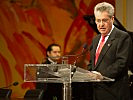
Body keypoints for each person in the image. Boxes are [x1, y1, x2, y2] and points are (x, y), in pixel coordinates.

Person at [89, 2, 133, 100]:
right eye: (98, 20)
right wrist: (89, 73)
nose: (101, 24)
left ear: (112, 19)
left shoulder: (122, 37)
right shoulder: (95, 39)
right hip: (96, 91)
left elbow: (121, 63)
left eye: (104, 20)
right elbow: (92, 63)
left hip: (114, 92)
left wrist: (102, 75)